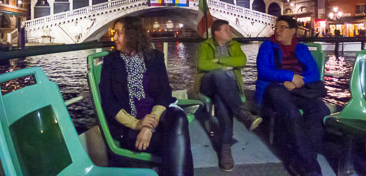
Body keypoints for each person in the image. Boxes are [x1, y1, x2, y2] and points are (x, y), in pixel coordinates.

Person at [100, 16, 193, 176]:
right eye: (115, 33)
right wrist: (137, 124)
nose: (114, 38)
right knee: (177, 140)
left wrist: (149, 126)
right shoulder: (110, 62)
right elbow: (108, 103)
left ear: (133, 35)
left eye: (119, 33)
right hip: (130, 126)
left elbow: (164, 92)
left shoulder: (155, 57)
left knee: (179, 118)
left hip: (157, 116)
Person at [255, 16, 330, 176]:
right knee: (292, 113)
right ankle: (311, 167)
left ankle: (300, 159)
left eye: (282, 27)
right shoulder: (267, 47)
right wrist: (289, 76)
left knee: (321, 110)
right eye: (277, 27)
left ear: (293, 31)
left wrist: (296, 82)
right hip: (273, 89)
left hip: (298, 89)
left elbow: (314, 73)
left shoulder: (301, 48)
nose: (278, 30)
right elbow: (264, 71)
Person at [192, 19, 262, 172]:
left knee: (222, 102)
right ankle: (243, 114)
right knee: (217, 74)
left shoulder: (234, 45)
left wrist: (218, 59)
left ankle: (225, 150)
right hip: (208, 84)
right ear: (216, 32)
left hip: (228, 88)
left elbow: (242, 60)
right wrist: (226, 66)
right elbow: (203, 65)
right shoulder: (205, 45)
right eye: (226, 30)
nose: (230, 32)